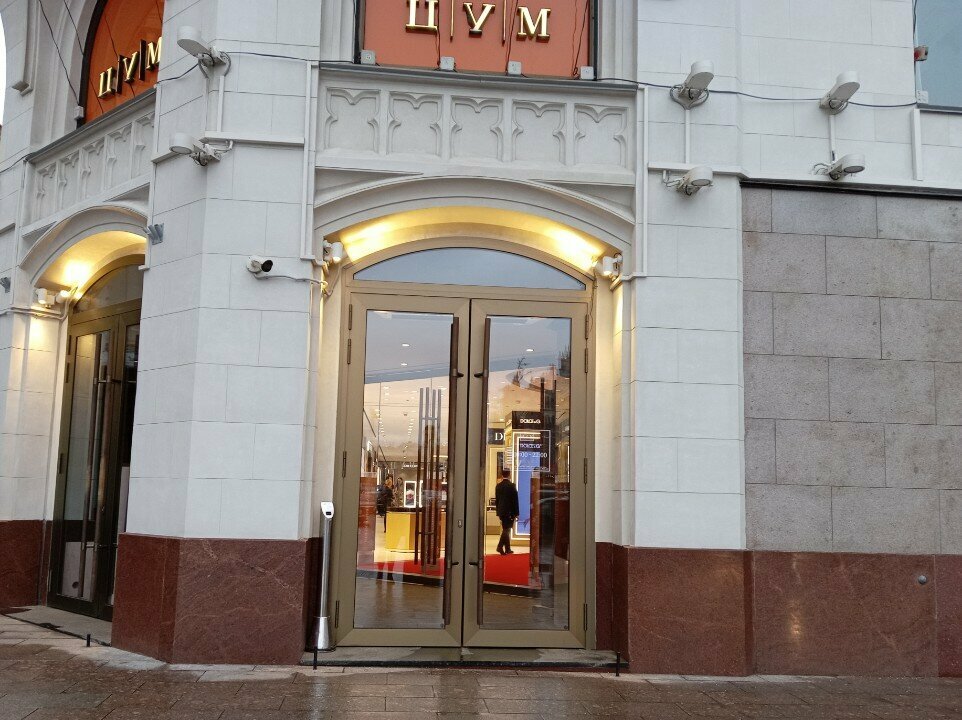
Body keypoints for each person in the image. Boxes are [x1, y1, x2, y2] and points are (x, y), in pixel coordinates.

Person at [495, 469, 520, 555]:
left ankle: (508, 548)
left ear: (502, 475)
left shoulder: (498, 486)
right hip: (509, 511)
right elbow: (515, 500)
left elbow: (497, 500)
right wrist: (517, 513)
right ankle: (500, 546)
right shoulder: (511, 486)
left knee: (505, 528)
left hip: (501, 511)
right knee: (507, 529)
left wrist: (498, 511)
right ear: (509, 475)